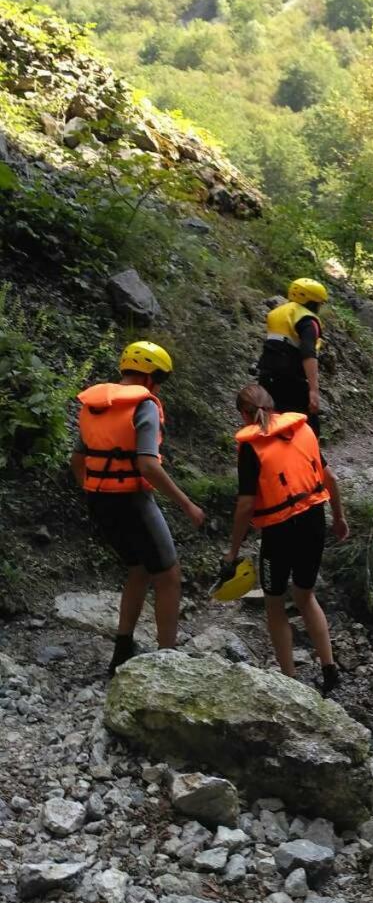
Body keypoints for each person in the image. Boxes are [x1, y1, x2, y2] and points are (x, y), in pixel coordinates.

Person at [72, 341, 205, 676]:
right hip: (132, 501)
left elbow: (77, 459)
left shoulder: (95, 404)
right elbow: (147, 465)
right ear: (150, 377)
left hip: (98, 500)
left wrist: (91, 486)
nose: (159, 387)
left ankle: (122, 647)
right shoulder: (143, 406)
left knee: (138, 568)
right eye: (159, 379)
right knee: (169, 575)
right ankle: (167, 660)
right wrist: (187, 504)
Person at [222, 384, 349, 692]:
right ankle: (329, 670)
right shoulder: (303, 430)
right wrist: (340, 517)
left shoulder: (252, 446)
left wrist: (232, 551)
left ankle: (290, 681)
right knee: (305, 595)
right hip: (314, 521)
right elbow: (329, 478)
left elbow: (246, 505)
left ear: (243, 415)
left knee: (275, 603)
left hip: (279, 532)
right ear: (275, 406)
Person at [258, 278, 328, 434]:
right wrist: (314, 390)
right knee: (309, 430)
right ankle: (309, 458)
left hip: (266, 378)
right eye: (320, 303)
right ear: (313, 301)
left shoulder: (278, 313)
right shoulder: (308, 320)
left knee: (272, 427)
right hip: (291, 382)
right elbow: (308, 353)